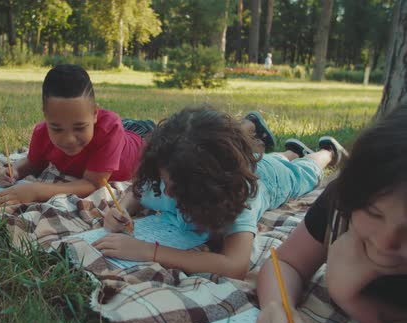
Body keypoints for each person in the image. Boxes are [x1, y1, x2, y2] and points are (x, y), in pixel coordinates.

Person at [93, 105, 344, 280]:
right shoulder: (169, 173)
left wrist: (150, 251)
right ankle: (289, 151)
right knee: (271, 157)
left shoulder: (240, 198)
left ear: (211, 188)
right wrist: (122, 209)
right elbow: (137, 193)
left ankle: (327, 152)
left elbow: (236, 266)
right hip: (252, 161)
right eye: (162, 180)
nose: (166, 192)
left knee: (304, 173)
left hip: (271, 179)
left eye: (178, 188)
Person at [255, 106, 407, 323]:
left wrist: (347, 294)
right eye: (374, 213)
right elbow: (287, 263)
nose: (387, 242)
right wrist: (277, 307)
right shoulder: (343, 204)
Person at [0, 64, 153, 207]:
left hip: (142, 139)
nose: (69, 139)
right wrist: (15, 171)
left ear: (95, 113)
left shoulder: (110, 128)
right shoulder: (41, 132)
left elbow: (93, 183)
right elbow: (33, 163)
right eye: (57, 129)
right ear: (46, 116)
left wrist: (36, 191)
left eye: (79, 128)